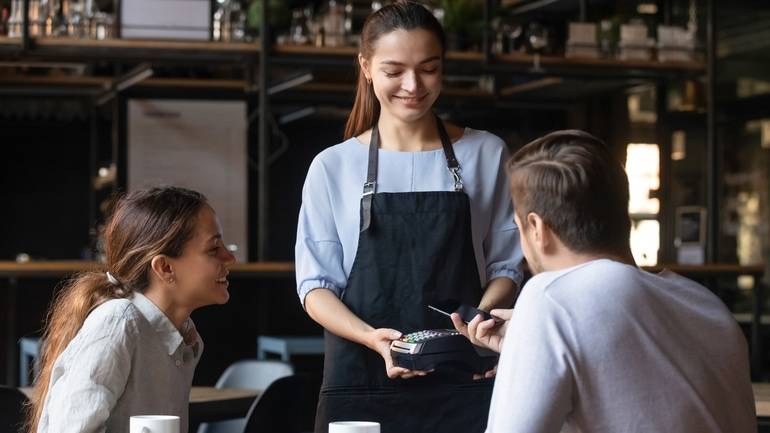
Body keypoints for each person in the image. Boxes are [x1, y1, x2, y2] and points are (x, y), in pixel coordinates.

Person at [294, 1, 523, 432]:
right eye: (394, 70)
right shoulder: (333, 166)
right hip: (362, 383)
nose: (413, 85)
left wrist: (473, 323)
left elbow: (507, 266)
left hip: (465, 382)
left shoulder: (486, 153)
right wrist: (371, 338)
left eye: (428, 68)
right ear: (366, 67)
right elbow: (315, 287)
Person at [452, 130, 756, 433]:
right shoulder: (705, 303)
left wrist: (539, 330)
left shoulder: (548, 298)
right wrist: (529, 346)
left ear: (536, 228)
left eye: (518, 227)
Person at [26, 186, 236, 433]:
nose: (229, 257)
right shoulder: (118, 323)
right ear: (165, 268)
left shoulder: (182, 338)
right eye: (213, 248)